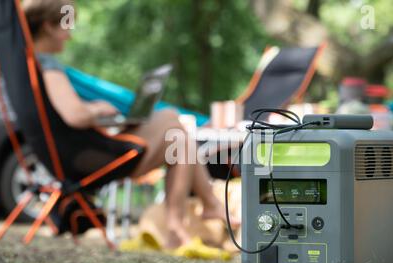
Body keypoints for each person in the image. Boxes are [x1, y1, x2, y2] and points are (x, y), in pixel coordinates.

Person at [20, 0, 239, 248]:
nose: (69, 36)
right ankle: (184, 222)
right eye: (66, 26)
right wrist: (97, 107)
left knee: (176, 132)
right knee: (173, 126)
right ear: (49, 26)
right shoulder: (47, 65)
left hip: (76, 155)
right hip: (88, 159)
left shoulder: (26, 66)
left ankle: (203, 210)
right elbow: (75, 116)